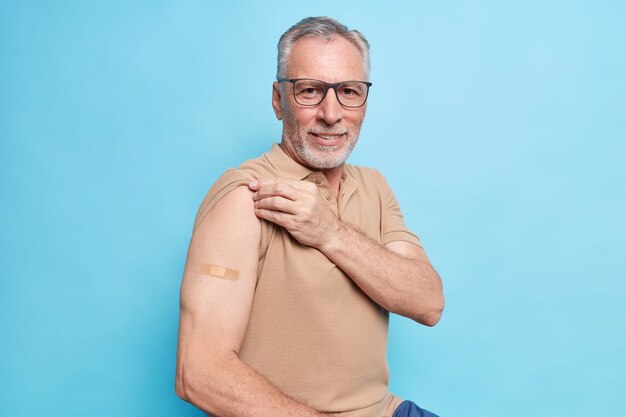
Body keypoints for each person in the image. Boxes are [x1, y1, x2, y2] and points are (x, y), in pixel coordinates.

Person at [175, 16, 444, 417]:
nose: (331, 113)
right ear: (277, 99)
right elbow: (198, 373)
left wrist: (330, 232)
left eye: (349, 91)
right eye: (310, 91)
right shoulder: (244, 198)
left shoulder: (374, 186)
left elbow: (428, 302)